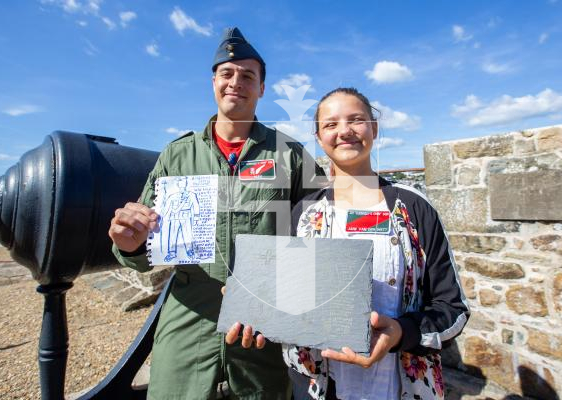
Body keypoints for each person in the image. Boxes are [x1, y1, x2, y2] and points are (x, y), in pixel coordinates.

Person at [109, 27, 323, 400]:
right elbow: (142, 250)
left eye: (247, 76)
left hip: (262, 327)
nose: (235, 82)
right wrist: (130, 244)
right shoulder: (176, 156)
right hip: (189, 320)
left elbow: (319, 240)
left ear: (261, 88)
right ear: (213, 82)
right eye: (227, 74)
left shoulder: (289, 154)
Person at [282, 88, 470, 400]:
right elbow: (288, 298)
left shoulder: (413, 208)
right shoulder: (303, 214)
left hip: (400, 388)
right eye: (330, 124)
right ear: (318, 137)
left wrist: (402, 332)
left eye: (356, 120)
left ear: (374, 128)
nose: (344, 131)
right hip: (318, 387)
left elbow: (453, 309)